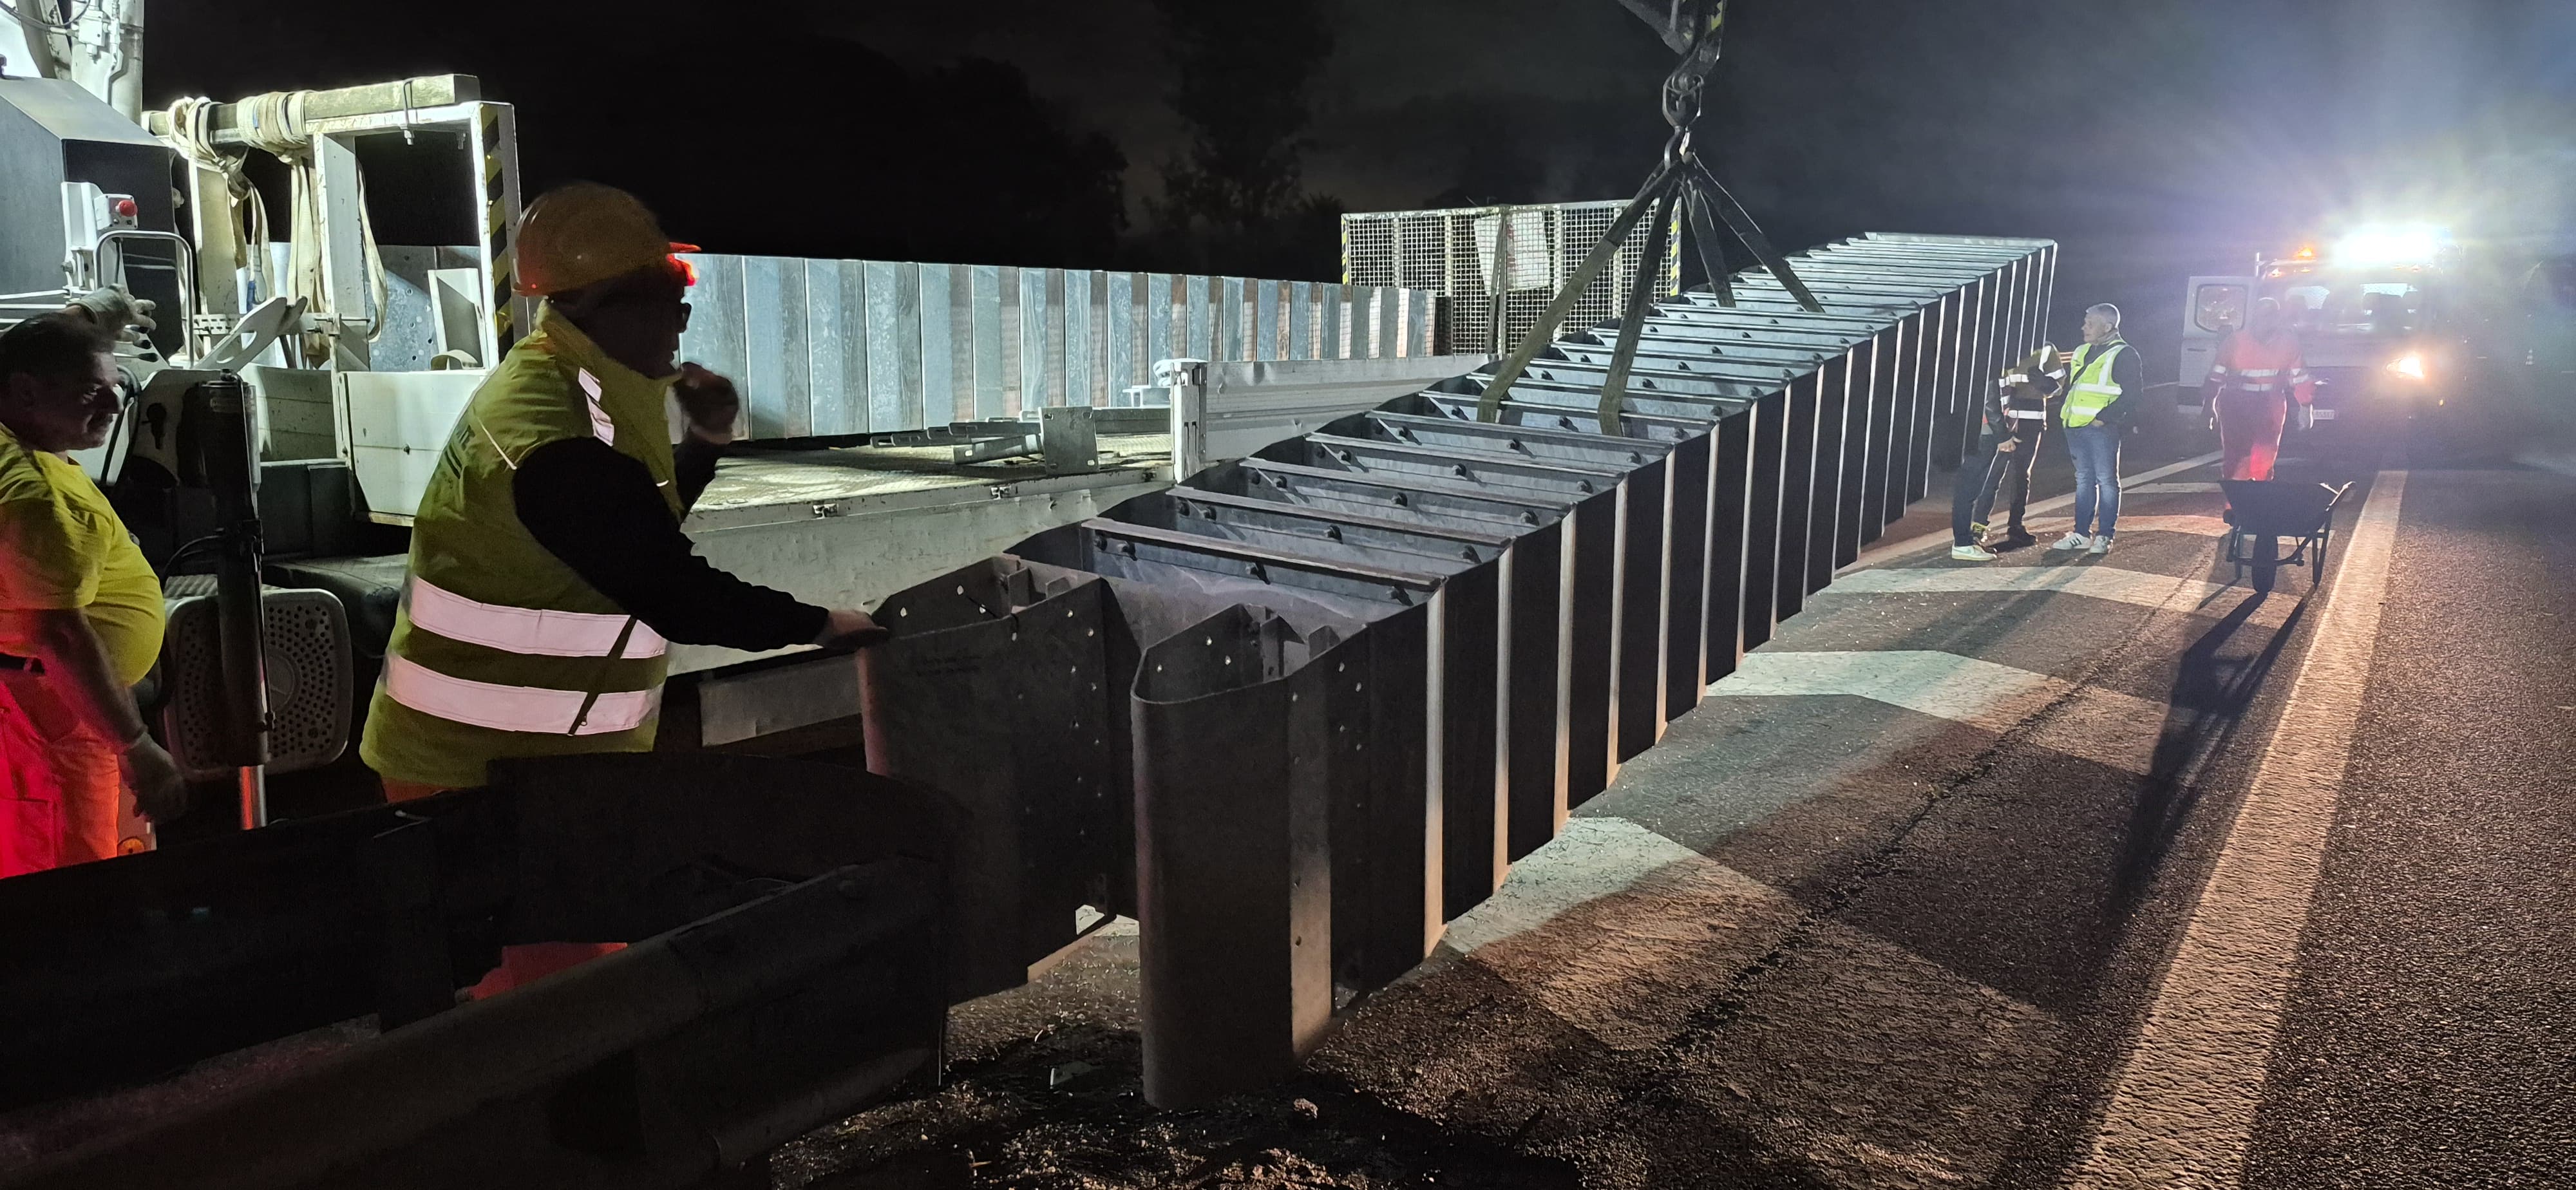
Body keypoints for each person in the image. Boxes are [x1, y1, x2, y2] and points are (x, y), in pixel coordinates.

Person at [357, 183, 881, 991]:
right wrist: (822, 624)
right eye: (671, 302)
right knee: (554, 992)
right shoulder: (551, 432)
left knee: (564, 972)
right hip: (486, 769)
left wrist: (704, 441)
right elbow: (664, 583)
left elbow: (636, 519)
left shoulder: (582, 383)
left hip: (533, 764)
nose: (683, 322)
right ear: (614, 307)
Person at [0, 310, 188, 877]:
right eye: (91, 393)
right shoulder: (38, 497)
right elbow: (58, 636)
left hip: (41, 698)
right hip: (55, 712)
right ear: (26, 391)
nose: (113, 408)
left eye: (117, 390)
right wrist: (136, 748)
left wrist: (85, 319)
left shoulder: (19, 449)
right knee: (75, 872)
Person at [1951, 343, 2066, 560]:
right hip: (2002, 420)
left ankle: (2016, 526)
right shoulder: (2007, 341)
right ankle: (1978, 527)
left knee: (2021, 476)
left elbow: (2059, 386)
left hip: (2030, 420)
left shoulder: (2048, 348)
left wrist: (2046, 384)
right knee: (1991, 476)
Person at [2052, 303, 2143, 556]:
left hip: (2100, 429)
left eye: (2090, 323)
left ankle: (2105, 536)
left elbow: (2133, 394)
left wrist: (2104, 418)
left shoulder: (2124, 354)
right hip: (2075, 426)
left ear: (2108, 326)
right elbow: (2073, 387)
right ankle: (2081, 534)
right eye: (2085, 322)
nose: (2084, 327)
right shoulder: (2082, 351)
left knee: (2106, 481)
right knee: (2084, 480)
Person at [2205, 298, 2314, 482]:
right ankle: (2237, 500)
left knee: (2265, 456)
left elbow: (2300, 377)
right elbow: (2216, 376)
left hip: (2270, 404)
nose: (2266, 321)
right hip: (2237, 403)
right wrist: (2209, 405)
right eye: (2263, 315)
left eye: (2270, 316)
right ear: (2254, 316)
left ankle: (2258, 499)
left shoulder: (2287, 343)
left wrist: (2306, 407)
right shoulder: (2235, 342)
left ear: (2277, 318)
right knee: (2236, 457)